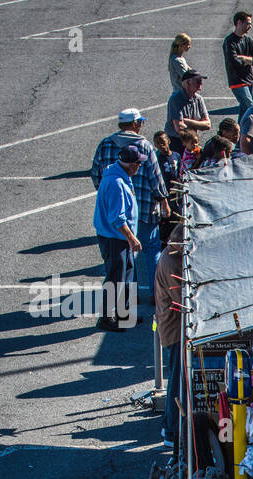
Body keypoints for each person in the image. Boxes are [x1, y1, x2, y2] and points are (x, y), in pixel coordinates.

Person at [91, 109, 169, 322]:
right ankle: (153, 295)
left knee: (126, 269)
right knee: (144, 255)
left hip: (123, 219)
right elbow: (155, 177)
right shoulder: (141, 149)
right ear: (135, 124)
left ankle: (125, 309)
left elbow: (95, 173)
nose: (139, 167)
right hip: (128, 222)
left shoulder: (106, 146)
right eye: (140, 121)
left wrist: (105, 198)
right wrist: (163, 201)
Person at [93, 145, 143, 331]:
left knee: (126, 274)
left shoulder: (120, 176)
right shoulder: (117, 184)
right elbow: (117, 218)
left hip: (118, 238)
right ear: (131, 164)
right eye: (138, 163)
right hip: (115, 238)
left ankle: (123, 313)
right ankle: (106, 318)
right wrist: (132, 238)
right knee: (115, 279)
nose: (140, 166)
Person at [156, 222, 184, 446]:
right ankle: (171, 429)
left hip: (172, 327)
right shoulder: (172, 262)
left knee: (177, 379)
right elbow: (182, 299)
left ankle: (171, 426)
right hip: (174, 329)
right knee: (176, 382)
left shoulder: (169, 256)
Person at [166, 70, 211, 155]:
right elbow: (179, 128)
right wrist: (198, 125)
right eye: (198, 80)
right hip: (177, 143)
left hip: (192, 142)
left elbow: (208, 124)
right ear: (187, 83)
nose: (201, 83)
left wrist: (188, 122)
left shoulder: (199, 99)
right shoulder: (175, 99)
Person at [223, 11, 253, 116]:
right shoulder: (229, 41)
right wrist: (249, 60)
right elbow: (234, 62)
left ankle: (240, 127)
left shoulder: (248, 40)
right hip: (237, 81)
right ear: (239, 23)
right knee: (251, 107)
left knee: (244, 110)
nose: (250, 26)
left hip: (249, 79)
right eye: (248, 23)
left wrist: (243, 58)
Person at [153, 130, 182, 242]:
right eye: (157, 143)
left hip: (176, 191)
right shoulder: (157, 158)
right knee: (166, 217)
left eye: (162, 141)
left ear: (168, 141)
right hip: (165, 193)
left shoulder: (176, 155)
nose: (160, 145)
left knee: (177, 214)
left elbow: (180, 171)